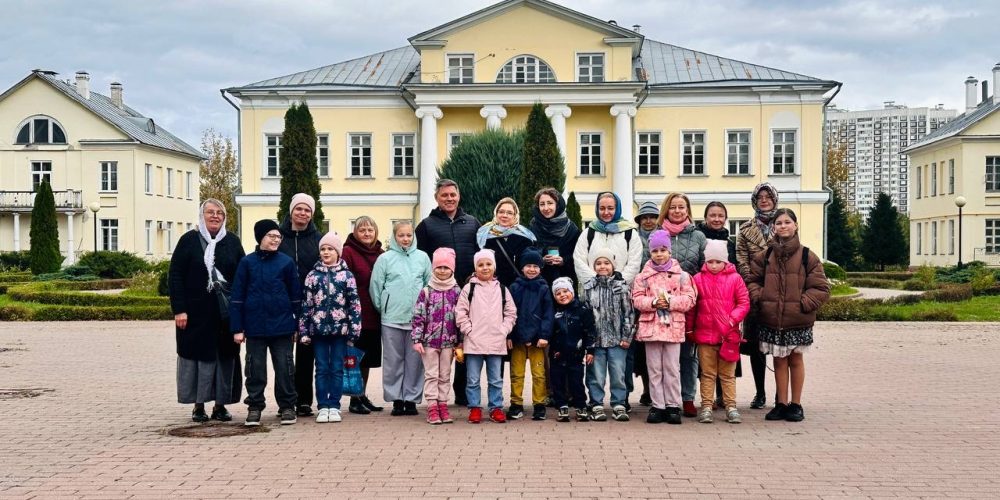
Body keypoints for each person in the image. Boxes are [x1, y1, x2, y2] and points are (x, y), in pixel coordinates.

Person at [747, 208, 830, 422]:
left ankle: (796, 404)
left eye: (787, 222)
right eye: (779, 223)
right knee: (779, 360)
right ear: (773, 227)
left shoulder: (807, 256)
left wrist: (802, 304)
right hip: (772, 318)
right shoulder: (764, 256)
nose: (783, 226)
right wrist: (762, 298)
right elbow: (752, 282)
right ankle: (781, 404)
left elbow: (821, 288)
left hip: (797, 320)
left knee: (795, 359)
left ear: (795, 225)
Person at [169, 199, 245, 423]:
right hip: (194, 315)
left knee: (224, 358)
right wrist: (179, 310)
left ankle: (220, 406)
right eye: (210, 212)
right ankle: (198, 405)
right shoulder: (189, 241)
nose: (215, 216)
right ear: (202, 215)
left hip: (224, 316)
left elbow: (242, 278)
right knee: (196, 360)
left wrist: (241, 314)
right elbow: (175, 276)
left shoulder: (232, 242)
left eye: (219, 213)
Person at [230, 219, 301, 427]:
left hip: (283, 327)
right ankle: (254, 407)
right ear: (260, 237)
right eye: (271, 236)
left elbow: (296, 297)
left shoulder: (286, 263)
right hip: (255, 327)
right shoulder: (247, 263)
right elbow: (237, 296)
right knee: (255, 369)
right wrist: (237, 328)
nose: (276, 240)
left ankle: (287, 406)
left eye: (278, 237)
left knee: (285, 368)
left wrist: (298, 326)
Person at [415, 179, 480, 405]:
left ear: (459, 196)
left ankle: (462, 391)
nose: (449, 199)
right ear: (437, 198)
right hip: (438, 294)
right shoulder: (426, 225)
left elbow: (481, 254)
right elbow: (420, 260)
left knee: (464, 340)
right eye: (445, 195)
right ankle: (436, 396)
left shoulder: (472, 223)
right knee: (440, 345)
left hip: (468, 293)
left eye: (453, 194)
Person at [631, 230, 696, 425]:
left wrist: (670, 302)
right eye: (655, 251)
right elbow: (636, 299)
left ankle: (673, 405)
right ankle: (657, 405)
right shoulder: (642, 277)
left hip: (673, 328)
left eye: (663, 250)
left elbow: (690, 299)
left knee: (672, 368)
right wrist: (652, 303)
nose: (659, 254)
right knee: (654, 369)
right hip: (651, 328)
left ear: (670, 250)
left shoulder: (682, 276)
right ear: (650, 252)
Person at [298, 232, 362, 423]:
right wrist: (303, 330)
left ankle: (334, 405)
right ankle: (322, 406)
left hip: (340, 331)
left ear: (338, 252)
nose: (326, 252)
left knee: (336, 368)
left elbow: (354, 304)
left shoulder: (346, 276)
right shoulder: (312, 276)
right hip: (318, 331)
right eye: (323, 249)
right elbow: (306, 305)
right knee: (321, 368)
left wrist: (354, 329)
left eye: (330, 249)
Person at [370, 220, 431, 416]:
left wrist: (425, 312)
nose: (405, 239)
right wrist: (384, 308)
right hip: (391, 319)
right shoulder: (385, 259)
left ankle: (411, 399)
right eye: (401, 235)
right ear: (394, 237)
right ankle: (396, 398)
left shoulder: (422, 258)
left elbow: (429, 285)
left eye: (409, 235)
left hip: (417, 321)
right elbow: (376, 287)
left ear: (413, 236)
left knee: (415, 361)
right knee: (393, 360)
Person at [655, 193, 706, 418]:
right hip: (660, 302)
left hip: (688, 301)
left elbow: (705, 268)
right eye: (673, 207)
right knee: (661, 356)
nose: (677, 211)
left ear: (688, 210)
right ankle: (661, 400)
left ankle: (687, 397)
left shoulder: (698, 236)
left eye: (681, 207)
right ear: (666, 210)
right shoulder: (657, 235)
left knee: (688, 354)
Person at [689, 240, 750, 424]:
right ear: (705, 261)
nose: (714, 265)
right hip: (705, 335)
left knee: (727, 374)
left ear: (725, 261)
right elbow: (693, 307)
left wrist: (732, 319)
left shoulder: (735, 278)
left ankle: (731, 406)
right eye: (710, 261)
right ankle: (706, 406)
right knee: (707, 373)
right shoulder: (698, 279)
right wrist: (690, 328)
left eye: (718, 261)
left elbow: (744, 302)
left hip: (728, 337)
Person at [456, 249, 517, 424]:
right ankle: (474, 407)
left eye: (488, 264)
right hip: (474, 341)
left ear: (494, 267)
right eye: (481, 265)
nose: (485, 268)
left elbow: (511, 312)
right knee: (473, 378)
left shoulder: (503, 289)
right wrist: (468, 330)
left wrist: (504, 330)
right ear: (475, 268)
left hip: (496, 341)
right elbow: (460, 311)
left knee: (496, 379)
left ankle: (496, 407)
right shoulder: (469, 288)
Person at [277, 193, 323, 418]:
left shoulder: (318, 239)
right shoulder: (279, 238)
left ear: (312, 214)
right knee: (282, 355)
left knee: (306, 354)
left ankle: (304, 401)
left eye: (307, 210)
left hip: (310, 305)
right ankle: (285, 401)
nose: (302, 213)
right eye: (299, 209)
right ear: (291, 211)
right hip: (282, 303)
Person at [736, 183, 779, 410]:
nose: (764, 200)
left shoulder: (783, 224)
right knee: (755, 346)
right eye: (760, 197)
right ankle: (760, 392)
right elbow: (741, 259)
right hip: (754, 292)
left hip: (779, 293)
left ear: (774, 199)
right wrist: (753, 282)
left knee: (780, 346)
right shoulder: (745, 229)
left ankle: (781, 394)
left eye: (768, 196)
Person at [579, 249, 634, 422]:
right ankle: (596, 403)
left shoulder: (622, 288)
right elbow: (584, 316)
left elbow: (629, 314)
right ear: (593, 266)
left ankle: (619, 403)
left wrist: (627, 337)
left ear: (613, 265)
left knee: (618, 373)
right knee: (596, 374)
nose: (602, 266)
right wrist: (587, 341)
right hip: (596, 342)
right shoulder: (588, 288)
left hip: (618, 341)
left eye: (606, 263)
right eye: (598, 263)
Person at [695, 201, 739, 409]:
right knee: (707, 363)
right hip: (706, 305)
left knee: (727, 356)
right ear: (705, 218)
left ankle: (724, 397)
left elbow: (734, 268)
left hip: (726, 307)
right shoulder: (700, 238)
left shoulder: (730, 243)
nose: (716, 218)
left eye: (721, 215)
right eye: (712, 215)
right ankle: (707, 399)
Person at [411, 248, 462, 425]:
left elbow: (461, 317)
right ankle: (432, 406)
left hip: (449, 342)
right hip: (429, 342)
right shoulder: (426, 291)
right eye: (438, 267)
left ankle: (443, 404)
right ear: (433, 269)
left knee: (445, 374)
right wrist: (417, 339)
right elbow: (418, 316)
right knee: (432, 374)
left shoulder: (456, 291)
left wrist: (460, 341)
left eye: (445, 267)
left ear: (452, 269)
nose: (442, 270)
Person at [340, 216, 385, 414]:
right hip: (355, 316)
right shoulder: (348, 252)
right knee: (354, 358)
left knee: (367, 359)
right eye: (362, 230)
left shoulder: (382, 254)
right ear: (355, 233)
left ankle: (362, 394)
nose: (367, 234)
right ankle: (354, 399)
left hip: (374, 314)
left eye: (370, 230)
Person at [506, 248, 553, 421]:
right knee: (516, 373)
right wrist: (509, 335)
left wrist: (544, 335)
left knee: (539, 373)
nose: (532, 269)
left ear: (541, 268)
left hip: (537, 340)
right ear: (522, 267)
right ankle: (516, 403)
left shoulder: (544, 288)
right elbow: (508, 313)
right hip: (518, 338)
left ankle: (539, 404)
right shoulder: (514, 287)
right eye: (528, 266)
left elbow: (548, 314)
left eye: (535, 266)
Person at [549, 277, 596, 423]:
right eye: (558, 293)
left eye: (565, 291)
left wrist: (590, 350)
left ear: (572, 292)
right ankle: (562, 406)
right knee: (558, 382)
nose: (562, 295)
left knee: (576, 382)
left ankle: (580, 406)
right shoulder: (554, 312)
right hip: (557, 355)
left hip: (576, 355)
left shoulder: (582, 310)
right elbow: (549, 332)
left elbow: (590, 332)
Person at [628, 201, 660, 408]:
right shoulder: (632, 238)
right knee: (639, 349)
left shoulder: (663, 238)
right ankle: (647, 390)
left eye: (652, 217)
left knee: (658, 347)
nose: (648, 221)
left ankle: (657, 392)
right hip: (638, 298)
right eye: (644, 217)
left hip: (659, 299)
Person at [574, 192, 643, 285]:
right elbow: (579, 260)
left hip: (620, 292)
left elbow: (634, 263)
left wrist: (620, 281)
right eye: (602, 208)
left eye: (610, 208)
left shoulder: (630, 233)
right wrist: (594, 280)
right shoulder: (589, 232)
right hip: (593, 291)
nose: (606, 212)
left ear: (617, 209)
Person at [477, 197, 536, 287]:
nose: (504, 215)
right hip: (493, 287)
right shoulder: (485, 236)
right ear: (496, 214)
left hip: (518, 287)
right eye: (501, 212)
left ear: (515, 216)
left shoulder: (525, 238)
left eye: (509, 213)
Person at [529, 187, 581, 286]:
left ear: (558, 205)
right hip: (539, 283)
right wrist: (540, 259)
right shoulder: (533, 227)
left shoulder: (572, 229)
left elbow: (579, 256)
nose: (546, 208)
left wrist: (563, 261)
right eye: (542, 204)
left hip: (565, 284)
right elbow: (528, 252)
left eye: (550, 203)